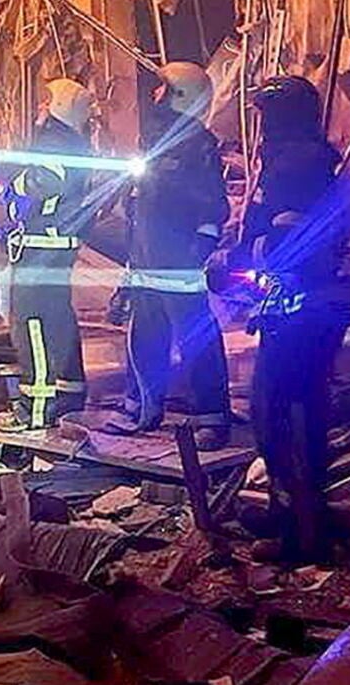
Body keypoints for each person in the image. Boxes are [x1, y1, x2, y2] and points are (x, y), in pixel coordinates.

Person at [232, 75, 350, 561]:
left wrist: (238, 258)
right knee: (290, 410)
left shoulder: (296, 166)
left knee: (281, 415)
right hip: (303, 308)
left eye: (265, 114)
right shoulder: (304, 159)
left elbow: (290, 243)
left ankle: (301, 533)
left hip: (303, 310)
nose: (260, 124)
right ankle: (290, 512)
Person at [116, 61, 234, 449]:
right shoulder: (154, 142)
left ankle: (211, 417)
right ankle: (141, 405)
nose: (155, 94)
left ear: (180, 95)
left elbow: (213, 204)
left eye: (162, 88)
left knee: (196, 338)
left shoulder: (198, 146)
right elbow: (139, 202)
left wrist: (199, 247)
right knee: (145, 335)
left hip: (179, 262)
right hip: (145, 260)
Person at [1, 78, 97, 429]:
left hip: (42, 246)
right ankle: (70, 392)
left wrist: (13, 182)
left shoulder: (54, 143)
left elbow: (45, 182)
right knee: (58, 317)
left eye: (46, 101)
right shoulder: (72, 142)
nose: (39, 108)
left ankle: (37, 406)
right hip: (56, 245)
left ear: (58, 107)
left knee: (32, 322)